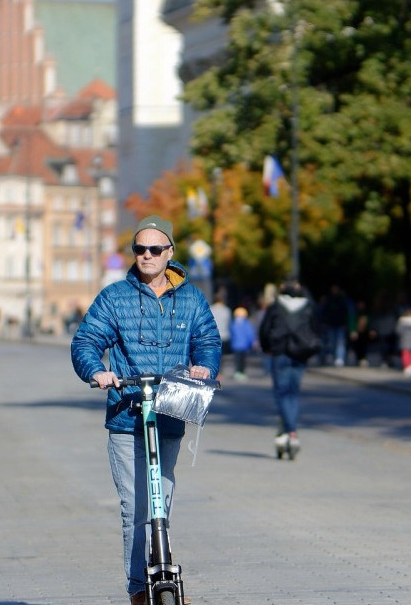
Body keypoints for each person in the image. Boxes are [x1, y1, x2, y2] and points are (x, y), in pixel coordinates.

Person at [70, 214, 220, 605]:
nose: (148, 255)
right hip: (126, 413)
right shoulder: (115, 297)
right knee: (135, 508)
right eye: (140, 249)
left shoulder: (190, 297)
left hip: (168, 413)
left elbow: (207, 340)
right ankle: (139, 588)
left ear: (170, 252)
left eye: (156, 248)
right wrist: (98, 371)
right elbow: (86, 340)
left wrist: (204, 365)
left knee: (161, 500)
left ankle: (163, 565)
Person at [258, 277, 318, 459]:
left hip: (280, 353)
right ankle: (287, 432)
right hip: (300, 353)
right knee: (293, 394)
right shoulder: (308, 306)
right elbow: (316, 328)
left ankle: (290, 431)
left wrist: (267, 348)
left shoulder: (276, 306)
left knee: (282, 394)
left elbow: (265, 329)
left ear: (282, 288)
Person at [319, 284, 352, 366]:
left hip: (340, 324)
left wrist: (346, 323)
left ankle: (339, 358)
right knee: (332, 343)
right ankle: (335, 357)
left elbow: (347, 313)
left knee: (340, 342)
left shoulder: (343, 300)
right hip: (331, 324)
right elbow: (325, 313)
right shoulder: (328, 300)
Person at [229, 306, 256, 380]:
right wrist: (253, 341)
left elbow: (231, 333)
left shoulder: (233, 323)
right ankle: (242, 372)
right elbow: (250, 333)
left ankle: (238, 372)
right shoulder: (246, 323)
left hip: (236, 345)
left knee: (237, 360)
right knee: (242, 360)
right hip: (244, 345)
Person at [210, 288, 231, 354]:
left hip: (213, 336)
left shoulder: (210, 309)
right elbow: (228, 323)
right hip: (224, 336)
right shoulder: (227, 310)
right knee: (222, 356)